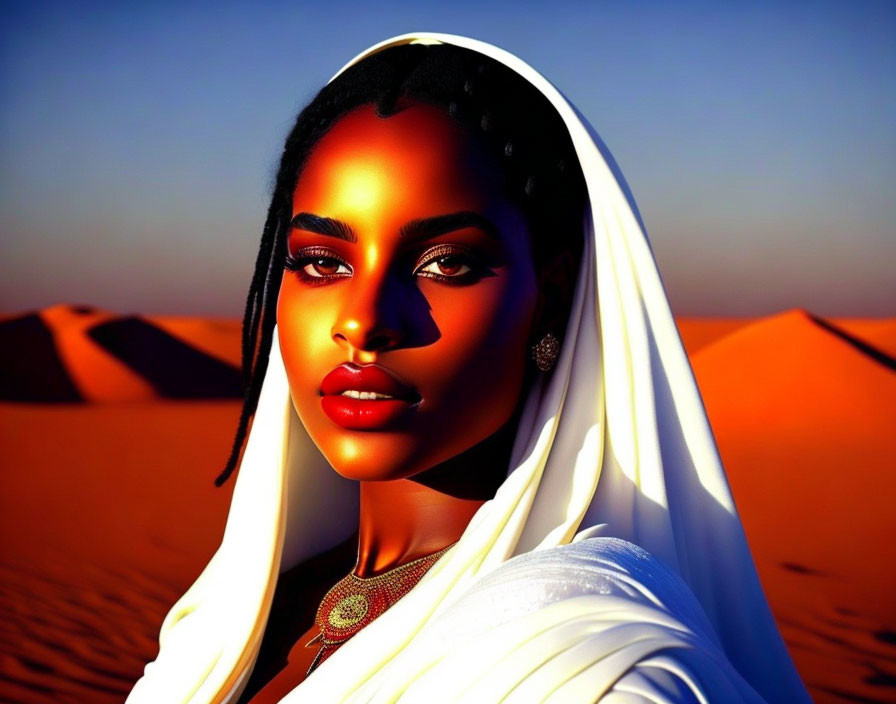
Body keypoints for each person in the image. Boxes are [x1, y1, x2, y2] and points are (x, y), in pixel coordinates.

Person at [127, 33, 810, 703]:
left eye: (446, 263)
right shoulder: (227, 614)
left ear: (553, 296)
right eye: (322, 262)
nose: (364, 322)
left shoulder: (594, 670)